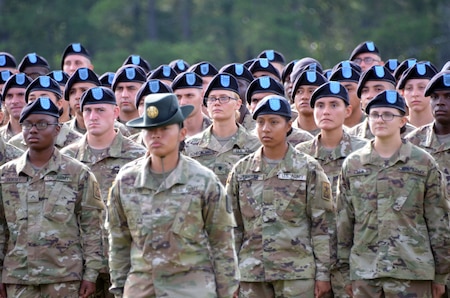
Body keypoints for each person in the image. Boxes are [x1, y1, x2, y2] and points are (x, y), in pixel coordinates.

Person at [106, 93, 239, 297]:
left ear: (182, 133)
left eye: (165, 129)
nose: (156, 135)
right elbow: (119, 242)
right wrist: (120, 289)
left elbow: (221, 243)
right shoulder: (126, 181)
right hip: (142, 290)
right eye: (150, 130)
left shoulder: (204, 181)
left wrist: (226, 291)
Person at [336, 90, 450, 298]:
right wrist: (344, 271)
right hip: (365, 271)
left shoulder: (423, 163)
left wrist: (441, 274)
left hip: (412, 271)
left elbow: (438, 221)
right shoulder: (353, 164)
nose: (380, 119)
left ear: (402, 121)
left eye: (388, 114)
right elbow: (344, 221)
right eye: (375, 114)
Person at [226, 94, 333, 298]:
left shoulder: (308, 168)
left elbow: (323, 225)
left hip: (297, 274)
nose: (266, 128)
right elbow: (232, 226)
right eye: (261, 122)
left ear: (288, 126)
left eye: (274, 122)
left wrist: (323, 273)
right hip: (252, 274)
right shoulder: (242, 170)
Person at [0, 97, 104, 298]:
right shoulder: (6, 175)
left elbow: (92, 227)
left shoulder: (78, 173)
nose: (33, 130)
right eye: (28, 124)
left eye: (42, 124)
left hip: (64, 277)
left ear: (57, 129)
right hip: (18, 278)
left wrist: (91, 274)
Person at [61, 86, 146, 298]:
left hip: (125, 260)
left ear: (116, 113)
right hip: (78, 263)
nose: (92, 116)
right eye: (87, 110)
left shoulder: (138, 156)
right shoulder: (66, 159)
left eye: (100, 110)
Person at [295, 81, 368, 298]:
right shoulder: (301, 153)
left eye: (334, 105)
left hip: (355, 259)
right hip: (309, 260)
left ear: (348, 110)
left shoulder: (364, 151)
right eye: (320, 105)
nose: (325, 111)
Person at [183, 73, 260, 185]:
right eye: (212, 99)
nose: (217, 103)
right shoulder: (190, 146)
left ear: (238, 104)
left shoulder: (256, 145)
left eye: (224, 98)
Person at [8, 75, 83, 150]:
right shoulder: (15, 144)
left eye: (44, 99)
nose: (37, 103)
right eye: (32, 99)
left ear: (59, 104)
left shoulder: (78, 143)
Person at [347, 65, 415, 139]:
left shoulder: (414, 136)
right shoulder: (350, 137)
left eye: (378, 89)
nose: (370, 95)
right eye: (365, 91)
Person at [397, 62, 437, 127]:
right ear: (402, 93)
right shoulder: (395, 127)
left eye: (421, 87)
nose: (415, 94)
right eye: (409, 88)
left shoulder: (443, 127)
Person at [171, 71, 212, 137]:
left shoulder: (217, 131)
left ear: (202, 96)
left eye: (189, 96)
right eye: (178, 97)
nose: (183, 102)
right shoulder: (167, 133)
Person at [219, 63, 255, 130]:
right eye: (227, 86)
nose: (232, 90)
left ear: (248, 90)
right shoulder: (208, 126)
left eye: (238, 85)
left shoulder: (258, 127)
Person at [112, 64, 147, 135]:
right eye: (120, 89)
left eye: (131, 88)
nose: (124, 95)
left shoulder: (151, 128)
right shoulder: (108, 128)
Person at [291, 69, 327, 135]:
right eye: (299, 92)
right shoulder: (283, 134)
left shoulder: (334, 134)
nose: (304, 97)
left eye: (311, 91)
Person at [329, 61, 364, 128]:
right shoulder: (324, 125)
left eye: (348, 89)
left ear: (361, 91)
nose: (343, 94)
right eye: (338, 89)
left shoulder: (375, 124)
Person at [0, 73, 32, 141]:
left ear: (32, 99)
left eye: (21, 95)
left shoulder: (45, 135)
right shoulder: (1, 137)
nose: (14, 101)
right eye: (9, 96)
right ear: (4, 102)